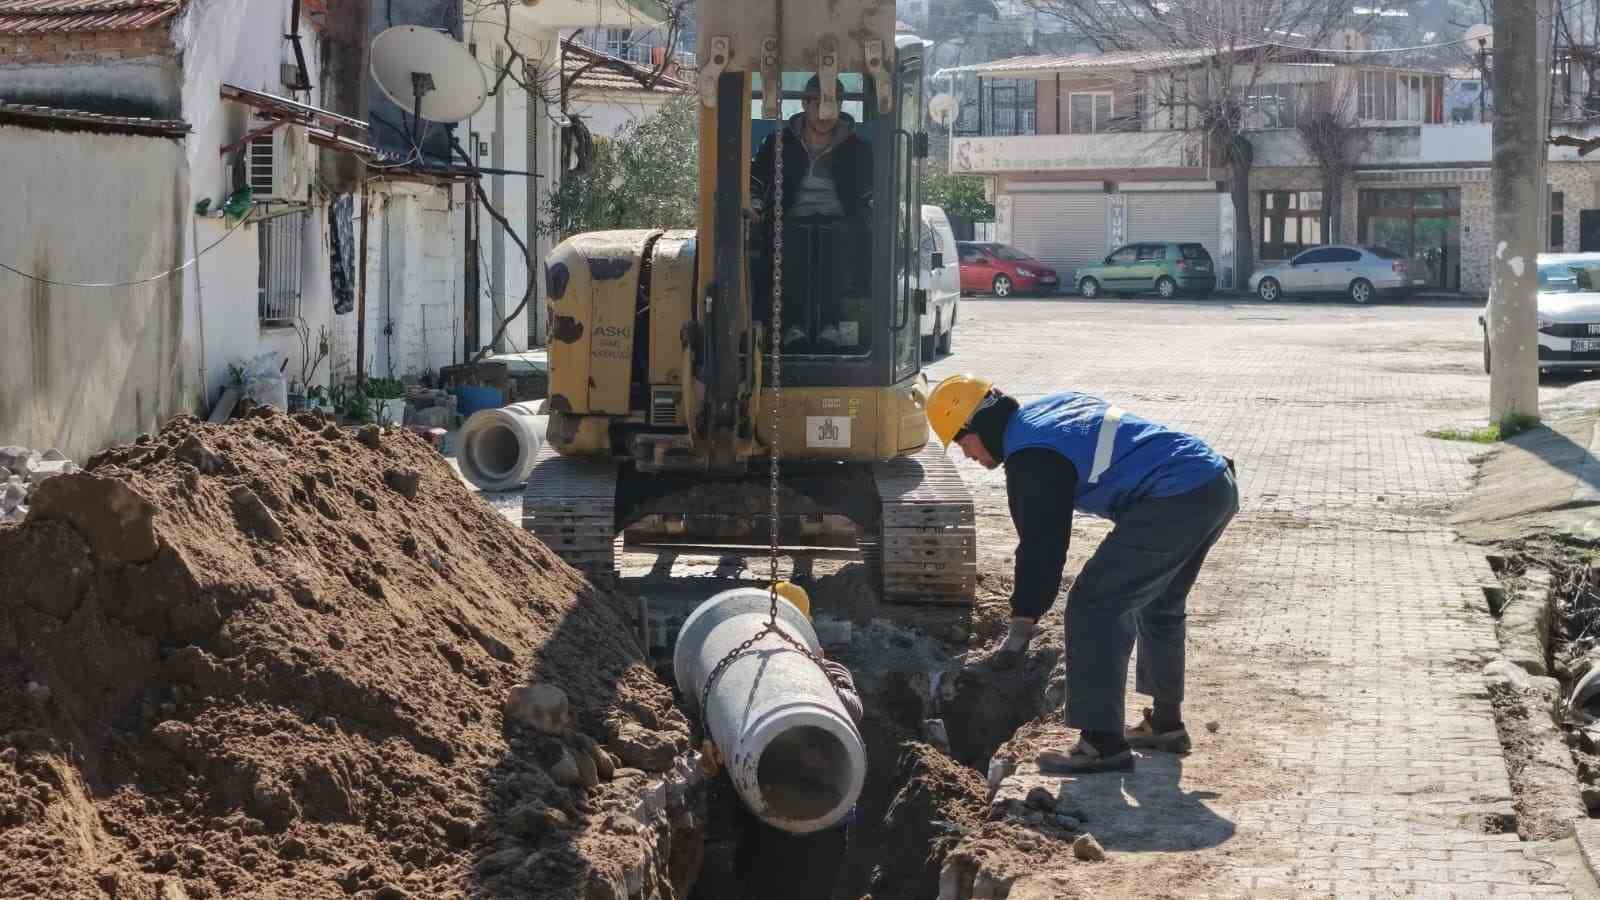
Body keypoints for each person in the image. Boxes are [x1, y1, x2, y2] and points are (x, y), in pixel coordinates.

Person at [927, 375, 1239, 774]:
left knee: (1095, 603)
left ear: (978, 425)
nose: (966, 455)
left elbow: (1043, 545)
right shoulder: (1047, 411)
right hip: (1212, 482)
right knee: (1160, 604)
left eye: (960, 441)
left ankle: (1102, 744)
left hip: (1174, 497)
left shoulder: (1031, 457)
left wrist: (1020, 629)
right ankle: (1165, 725)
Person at [750, 75, 874, 351]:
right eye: (819, 104)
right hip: (791, 220)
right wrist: (755, 204)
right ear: (805, 104)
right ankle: (793, 326)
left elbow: (871, 191)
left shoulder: (858, 150)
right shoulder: (778, 143)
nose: (825, 114)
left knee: (839, 245)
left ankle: (830, 326)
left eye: (832, 105)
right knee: (789, 246)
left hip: (840, 221)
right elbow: (756, 178)